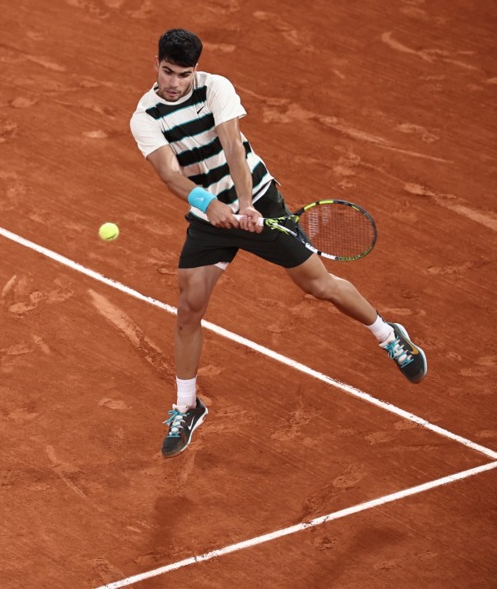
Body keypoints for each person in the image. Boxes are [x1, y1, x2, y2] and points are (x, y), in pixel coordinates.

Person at [128, 29, 427, 458]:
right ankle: (187, 406)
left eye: (183, 74)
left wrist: (247, 205)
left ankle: (388, 335)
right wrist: (210, 205)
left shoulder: (217, 89)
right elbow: (170, 174)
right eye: (168, 71)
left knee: (318, 285)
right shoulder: (145, 116)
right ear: (155, 63)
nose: (174, 82)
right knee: (189, 306)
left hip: (259, 201)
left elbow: (233, 145)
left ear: (196, 70)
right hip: (209, 217)